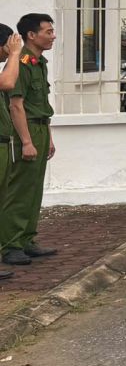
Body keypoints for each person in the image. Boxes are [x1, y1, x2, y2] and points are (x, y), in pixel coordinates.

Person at [1, 14, 60, 269]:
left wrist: (48, 137)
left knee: (34, 189)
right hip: (24, 131)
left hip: (39, 128)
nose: (53, 35)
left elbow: (42, 105)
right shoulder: (22, 61)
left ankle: (26, 239)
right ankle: (11, 245)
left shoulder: (39, 62)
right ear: (32, 35)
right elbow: (17, 104)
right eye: (48, 31)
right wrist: (26, 141)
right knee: (19, 191)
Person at [0, 24, 23, 281]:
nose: (10, 50)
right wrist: (16, 55)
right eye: (9, 44)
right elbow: (8, 82)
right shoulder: (10, 64)